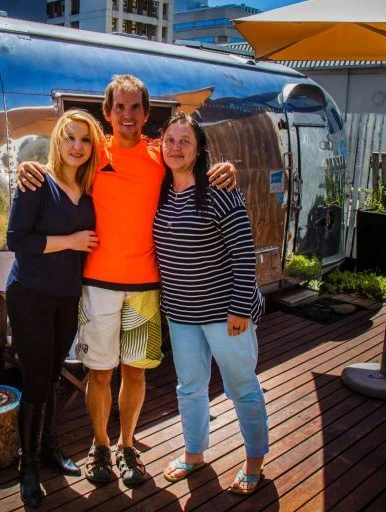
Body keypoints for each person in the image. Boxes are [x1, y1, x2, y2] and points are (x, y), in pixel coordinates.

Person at [17, 74, 237, 488]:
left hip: (145, 288)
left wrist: (227, 168)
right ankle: (99, 446)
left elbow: (195, 166)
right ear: (108, 113)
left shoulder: (160, 156)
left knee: (135, 372)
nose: (128, 114)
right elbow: (56, 167)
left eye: (136, 107)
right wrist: (27, 166)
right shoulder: (92, 156)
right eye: (120, 107)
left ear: (146, 113)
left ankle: (126, 444)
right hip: (96, 284)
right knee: (99, 373)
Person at [153, 112, 268, 495]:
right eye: (170, 139)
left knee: (241, 386)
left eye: (185, 140)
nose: (176, 147)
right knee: (189, 386)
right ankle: (194, 453)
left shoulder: (220, 189)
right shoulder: (160, 190)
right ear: (161, 144)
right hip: (181, 314)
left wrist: (238, 309)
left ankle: (254, 461)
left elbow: (242, 251)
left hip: (224, 313)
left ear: (199, 148)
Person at [6, 109, 104, 507]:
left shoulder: (92, 186)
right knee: (33, 380)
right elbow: (17, 240)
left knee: (53, 376)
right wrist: (72, 241)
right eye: (70, 138)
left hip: (67, 294)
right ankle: (27, 466)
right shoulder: (36, 183)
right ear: (58, 141)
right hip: (30, 293)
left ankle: (49, 447)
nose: (77, 146)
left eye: (85, 140)